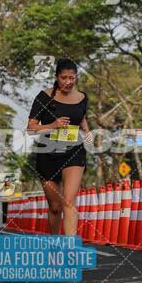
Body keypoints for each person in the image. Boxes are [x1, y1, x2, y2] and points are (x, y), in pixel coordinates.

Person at [27, 58, 92, 235]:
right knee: (55, 207)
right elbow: (31, 128)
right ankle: (55, 244)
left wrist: (87, 132)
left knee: (69, 202)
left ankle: (70, 250)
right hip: (48, 153)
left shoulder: (82, 97)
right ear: (57, 77)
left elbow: (82, 117)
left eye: (72, 78)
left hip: (74, 152)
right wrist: (53, 125)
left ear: (76, 77)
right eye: (64, 78)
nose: (68, 82)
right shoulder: (44, 97)